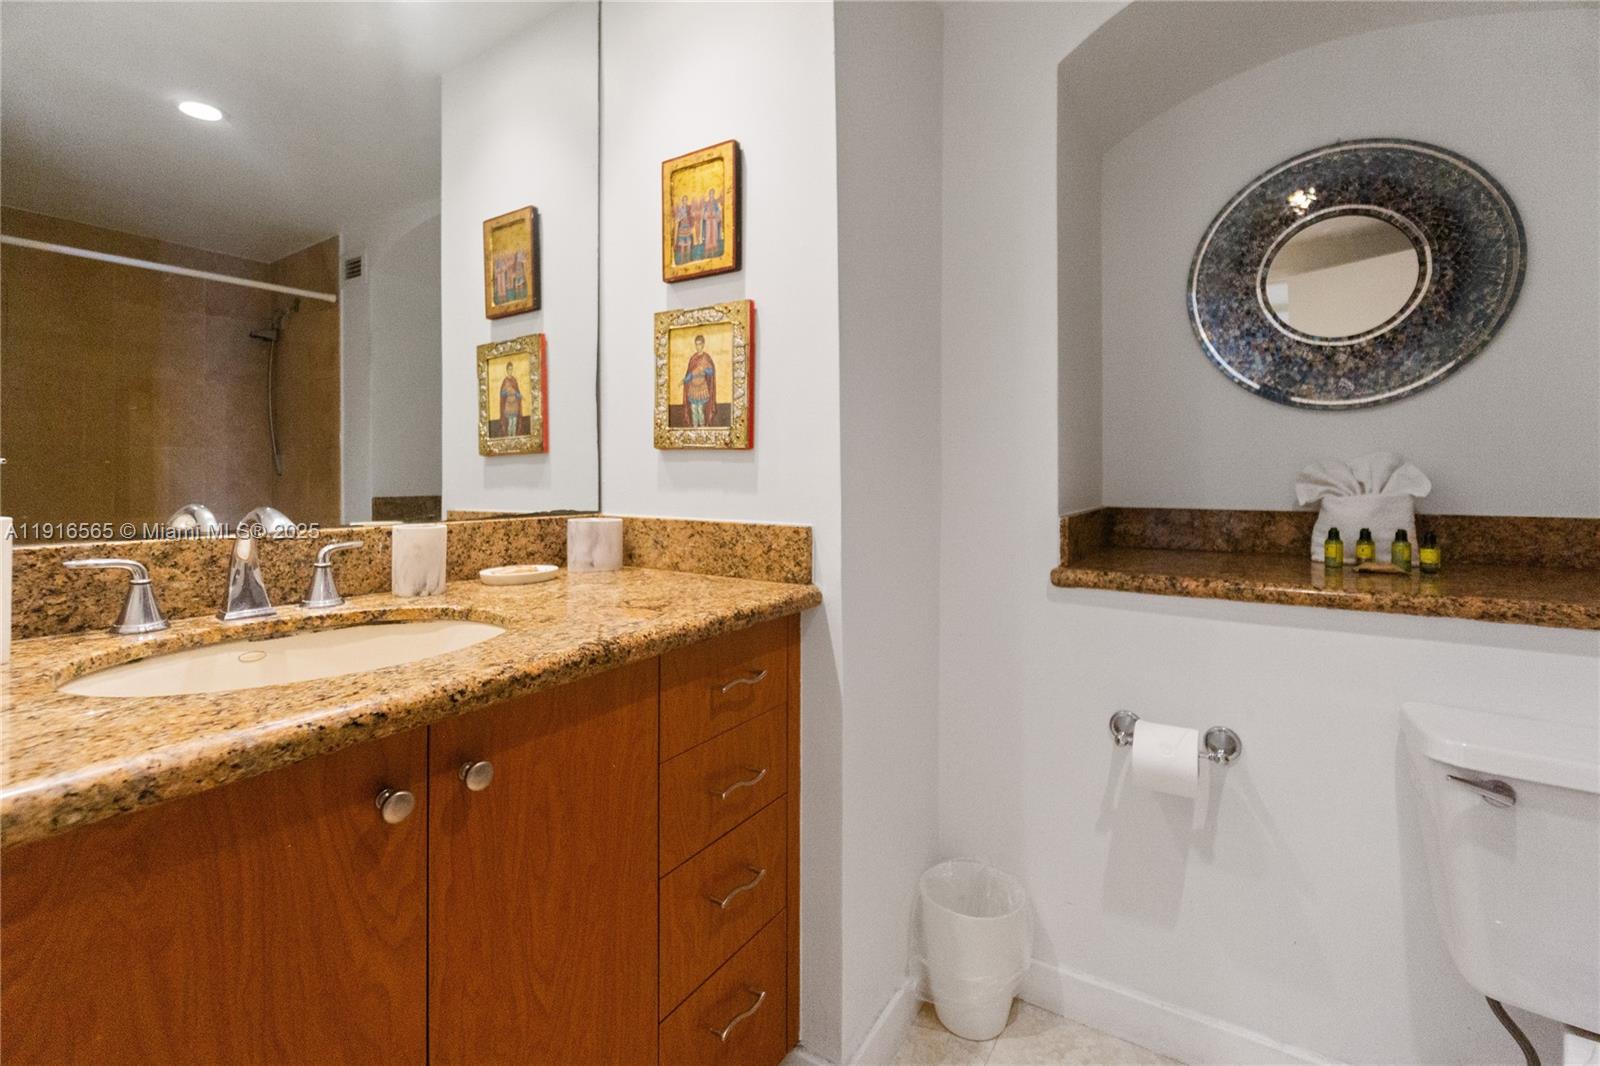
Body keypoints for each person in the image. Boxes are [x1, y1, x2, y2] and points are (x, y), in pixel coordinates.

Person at [681, 335, 716, 427]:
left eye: (700, 344)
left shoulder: (706, 358)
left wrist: (703, 369)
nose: (698, 346)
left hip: (702, 387)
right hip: (693, 388)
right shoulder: (693, 358)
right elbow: (690, 373)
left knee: (700, 409)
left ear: (703, 345)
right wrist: (685, 379)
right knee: (693, 409)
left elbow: (711, 372)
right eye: (696, 344)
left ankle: (702, 428)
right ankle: (695, 428)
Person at [498, 362, 523, 437]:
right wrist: (506, 391)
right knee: (510, 423)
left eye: (511, 369)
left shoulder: (514, 380)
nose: (510, 371)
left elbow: (517, 392)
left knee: (514, 422)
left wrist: (518, 395)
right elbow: (502, 394)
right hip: (508, 405)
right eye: (509, 369)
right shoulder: (505, 381)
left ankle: (514, 437)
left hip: (514, 404)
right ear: (507, 370)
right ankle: (509, 438)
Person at [702, 188, 724, 258]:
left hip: (714, 221)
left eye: (712, 193)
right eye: (710, 193)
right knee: (708, 234)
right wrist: (707, 215)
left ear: (714, 194)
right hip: (708, 221)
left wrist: (715, 214)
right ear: (709, 194)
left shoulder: (716, 203)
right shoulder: (706, 203)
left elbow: (719, 211)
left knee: (714, 233)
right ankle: (708, 248)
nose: (711, 195)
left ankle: (714, 247)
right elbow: (704, 213)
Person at [674, 195, 694, 264]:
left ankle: (688, 260)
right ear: (682, 201)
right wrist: (681, 217)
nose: (685, 201)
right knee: (682, 246)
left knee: (689, 244)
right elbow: (677, 219)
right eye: (684, 200)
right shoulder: (680, 208)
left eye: (686, 200)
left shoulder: (688, 208)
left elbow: (691, 217)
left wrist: (691, 227)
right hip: (682, 229)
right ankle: (682, 261)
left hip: (688, 229)